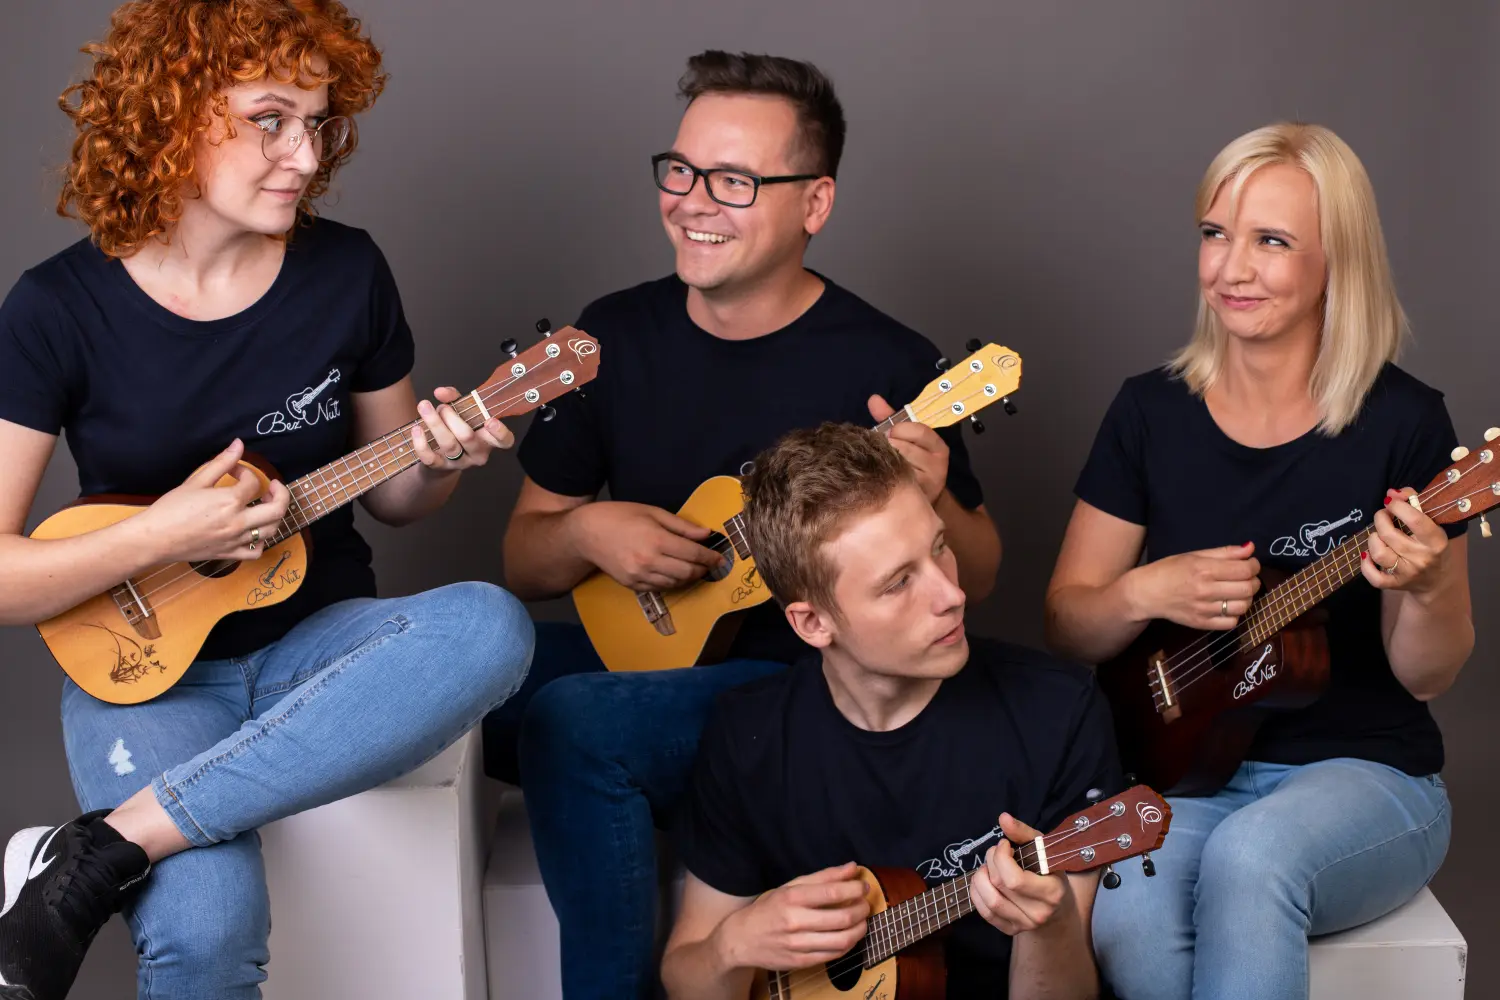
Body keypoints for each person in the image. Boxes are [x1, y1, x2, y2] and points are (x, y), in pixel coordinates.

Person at [0, 3, 534, 997]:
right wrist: (164, 533)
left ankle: (107, 846)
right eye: (270, 120)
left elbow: (397, 496)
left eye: (318, 123)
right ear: (170, 115)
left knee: (492, 628)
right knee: (205, 932)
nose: (306, 155)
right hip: (145, 673)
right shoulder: (54, 308)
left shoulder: (348, 271)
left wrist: (443, 459)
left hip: (322, 650)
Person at [481, 51, 1001, 997]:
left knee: (574, 726)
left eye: (733, 181)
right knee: (471, 664)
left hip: (798, 685)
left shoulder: (887, 363)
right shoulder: (614, 336)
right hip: (642, 654)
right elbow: (525, 555)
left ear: (815, 203)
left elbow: (984, 573)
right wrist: (590, 534)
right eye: (680, 171)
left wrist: (930, 494)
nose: (692, 202)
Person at [1044, 123, 1472, 1000]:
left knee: (1252, 859)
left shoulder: (1406, 423)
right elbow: (1068, 622)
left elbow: (1428, 674)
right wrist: (1143, 589)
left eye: (1271, 241)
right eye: (1215, 234)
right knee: (1128, 914)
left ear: (1337, 263)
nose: (1231, 269)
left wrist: (1427, 586)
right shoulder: (1149, 412)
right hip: (1189, 774)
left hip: (1370, 775)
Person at [661, 423, 1117, 1000]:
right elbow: (685, 978)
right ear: (812, 623)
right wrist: (733, 945)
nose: (952, 595)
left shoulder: (1058, 712)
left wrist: (1048, 929)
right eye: (899, 583)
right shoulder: (748, 735)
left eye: (939, 547)